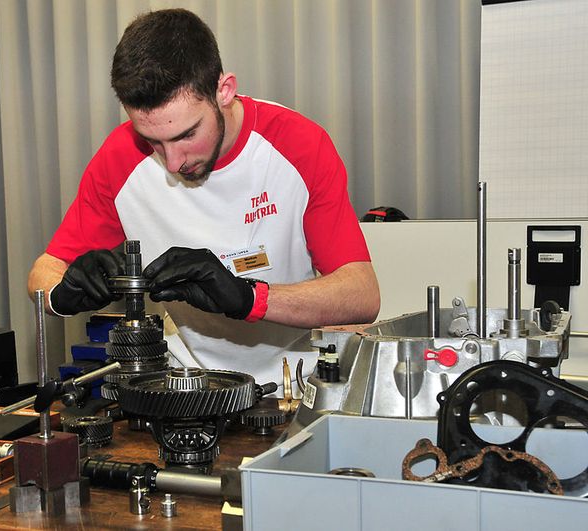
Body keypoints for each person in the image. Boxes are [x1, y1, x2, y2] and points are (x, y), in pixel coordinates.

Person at [28, 8, 380, 389]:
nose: (174, 161)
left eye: (185, 135)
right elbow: (42, 273)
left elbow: (361, 294)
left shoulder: (298, 145)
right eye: (153, 141)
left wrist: (249, 299)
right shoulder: (119, 158)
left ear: (223, 91)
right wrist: (64, 293)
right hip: (180, 383)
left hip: (292, 385)